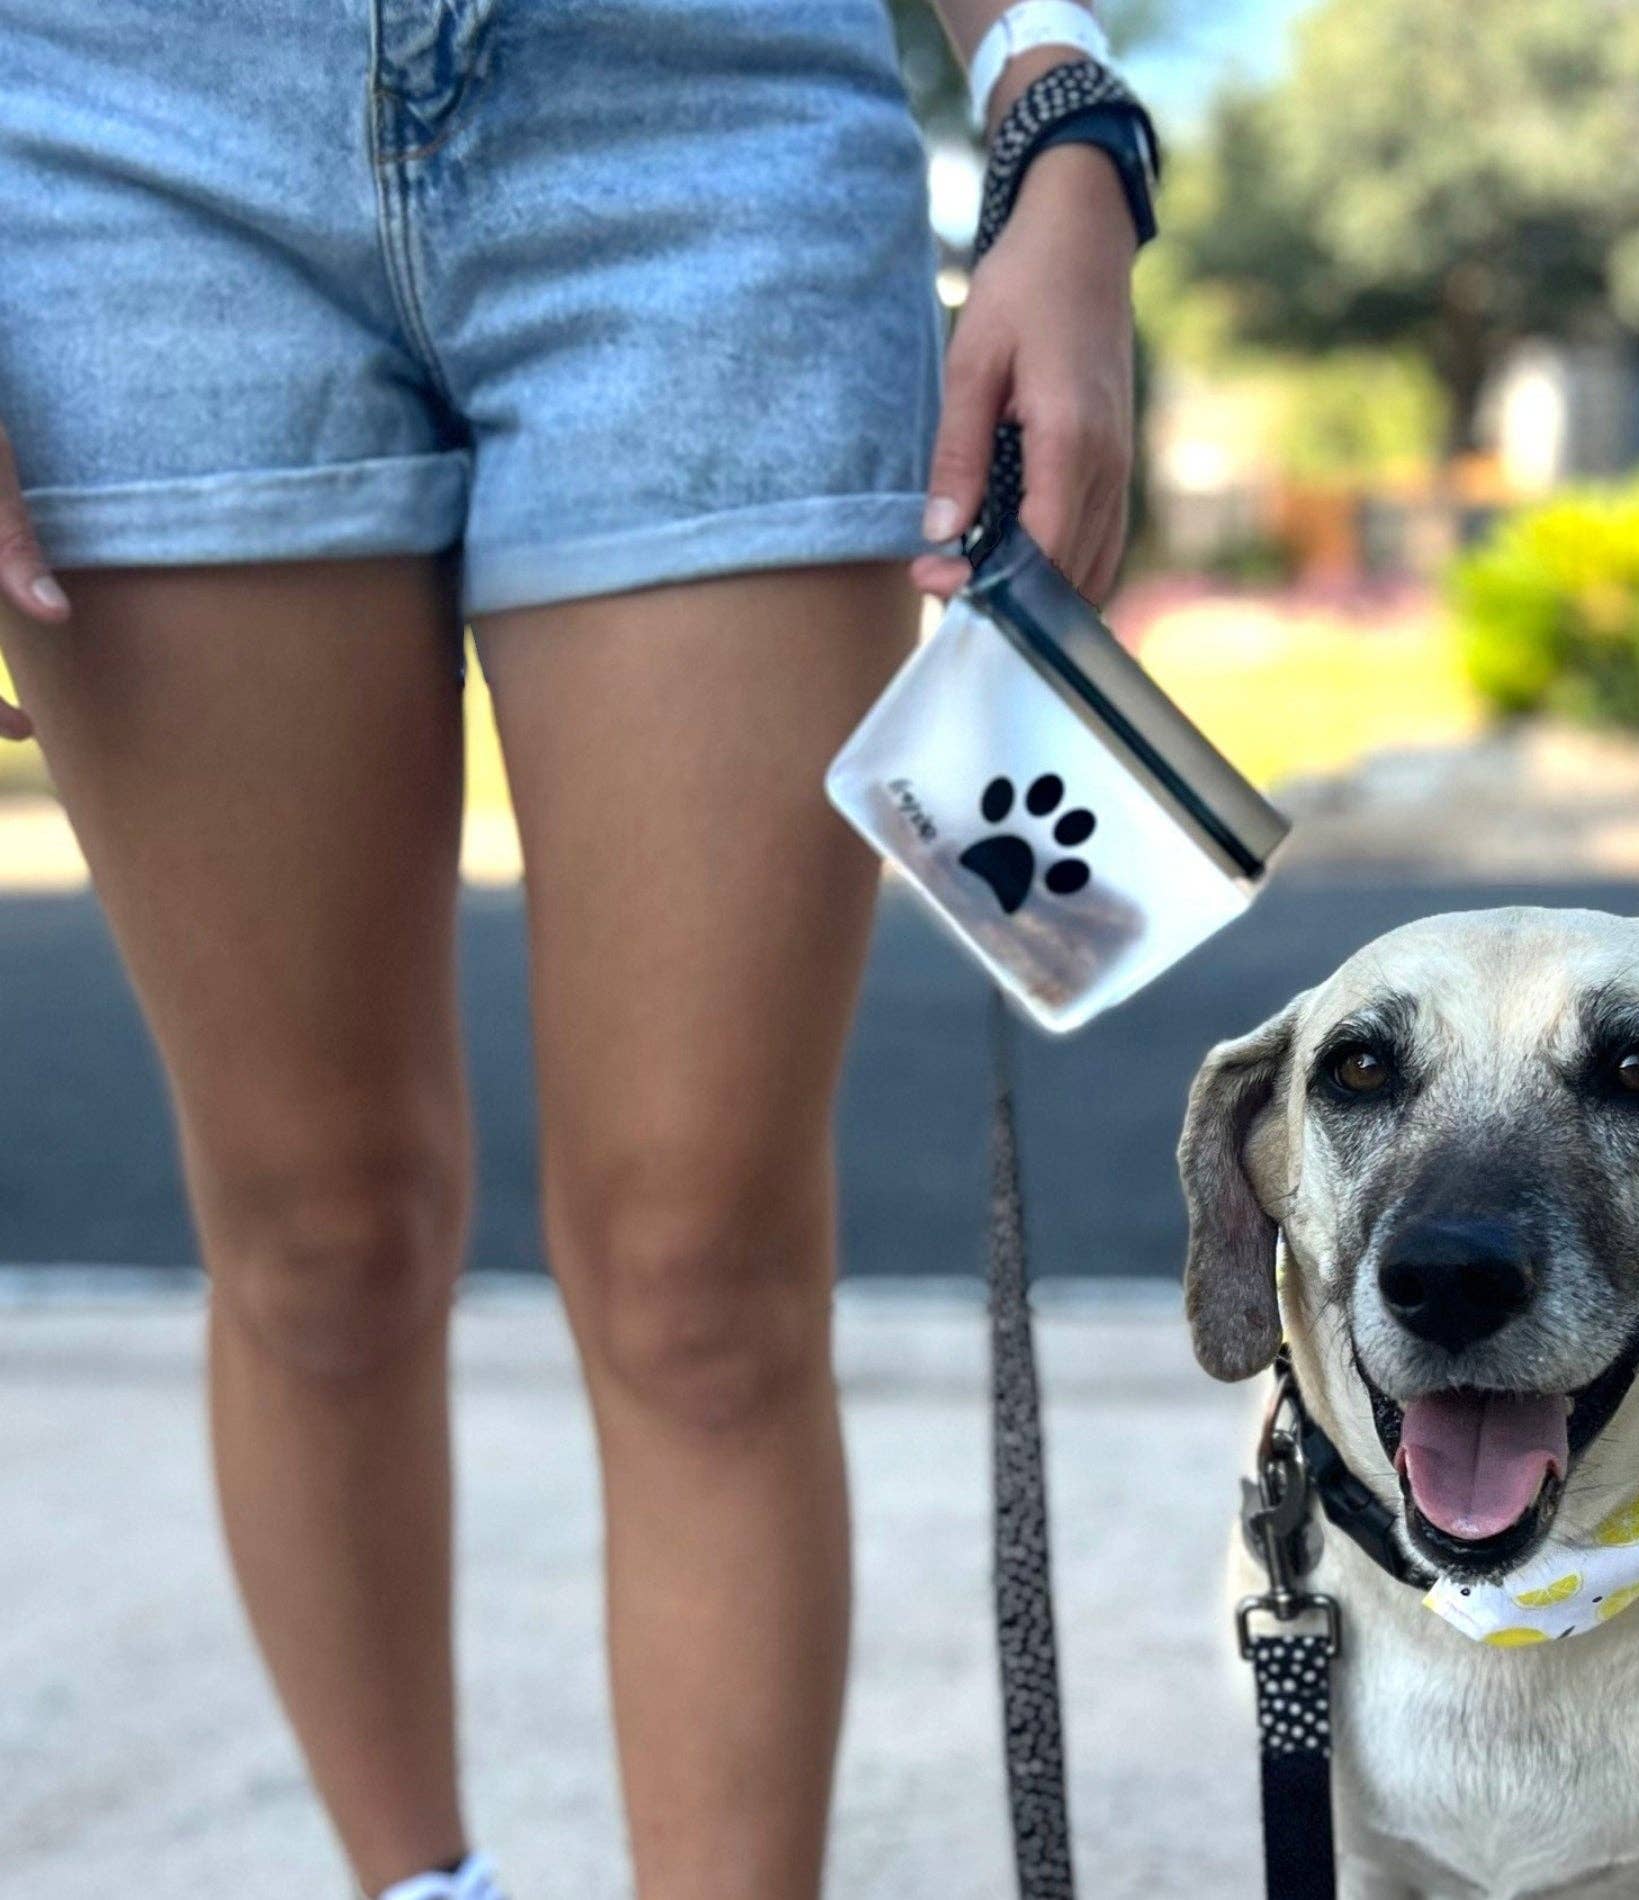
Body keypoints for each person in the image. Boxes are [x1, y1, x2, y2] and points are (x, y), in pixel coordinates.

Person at [0, 2, 1141, 1894]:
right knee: (317, 1234)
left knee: (706, 1276)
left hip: (708, 125)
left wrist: (1056, 96)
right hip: (123, 151)